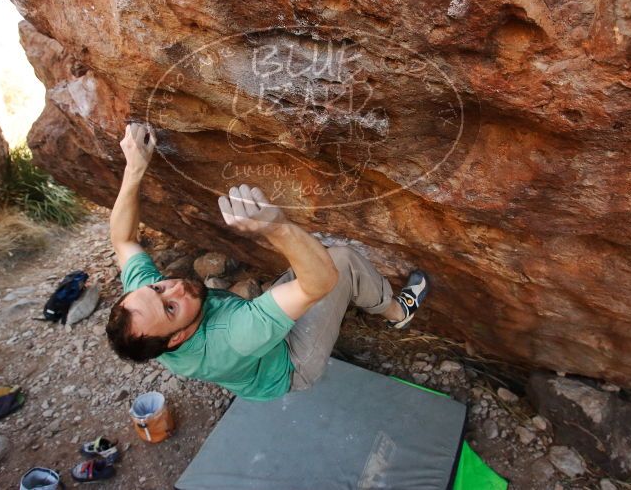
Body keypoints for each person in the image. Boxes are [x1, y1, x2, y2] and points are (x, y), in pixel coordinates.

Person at [106, 123, 430, 400]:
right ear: (175, 339)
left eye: (159, 288)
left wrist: (134, 168)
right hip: (290, 364)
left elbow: (124, 240)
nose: (174, 288)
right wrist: (277, 227)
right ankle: (397, 313)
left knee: (312, 255)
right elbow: (320, 283)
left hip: (250, 356)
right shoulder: (232, 336)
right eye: (170, 308)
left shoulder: (145, 315)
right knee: (341, 259)